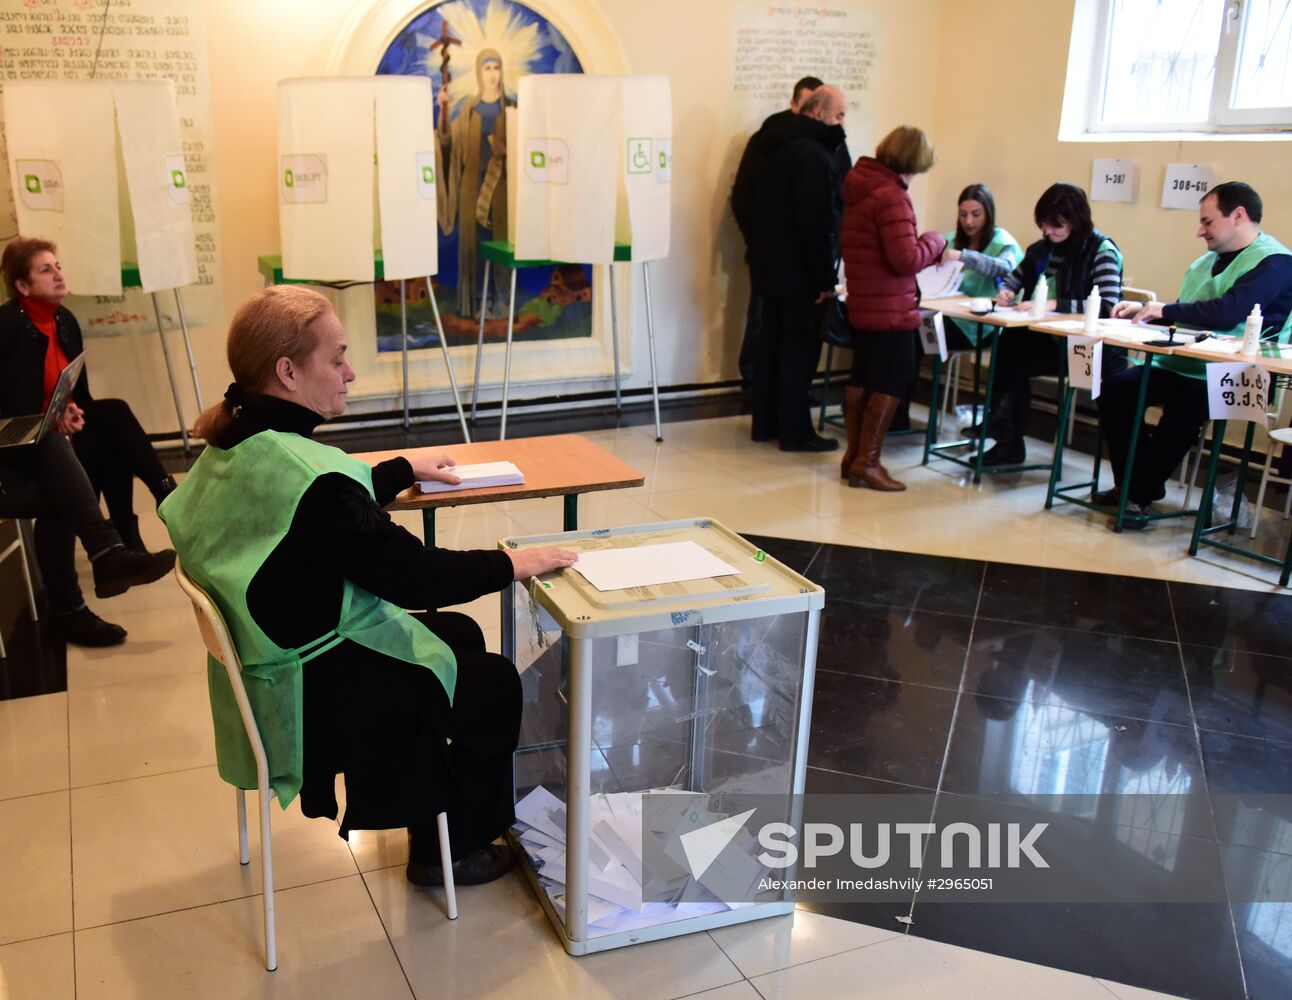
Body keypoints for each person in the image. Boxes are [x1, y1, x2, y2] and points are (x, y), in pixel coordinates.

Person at [159, 286, 577, 887]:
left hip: (267, 666)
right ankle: (451, 852)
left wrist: (403, 470)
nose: (350, 372)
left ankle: (431, 804)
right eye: (337, 358)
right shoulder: (314, 480)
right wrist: (511, 563)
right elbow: (413, 576)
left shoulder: (233, 440)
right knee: (493, 685)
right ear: (288, 371)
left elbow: (303, 512)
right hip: (315, 694)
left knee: (457, 633)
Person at [0, 241, 177, 647]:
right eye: (46, 270)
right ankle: (109, 552)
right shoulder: (7, 327)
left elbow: (78, 394)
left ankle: (120, 545)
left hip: (49, 438)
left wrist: (72, 411)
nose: (59, 274)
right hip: (15, 447)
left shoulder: (64, 320)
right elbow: (9, 407)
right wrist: (52, 420)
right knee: (57, 468)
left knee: (110, 420)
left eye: (58, 265)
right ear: (23, 286)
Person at [1097, 181, 1292, 523]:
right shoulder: (1206, 262)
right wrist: (1144, 313)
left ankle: (1137, 491)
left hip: (1244, 372)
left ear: (1238, 215)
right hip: (1189, 362)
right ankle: (1135, 483)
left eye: (1207, 221)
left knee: (1187, 404)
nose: (1199, 231)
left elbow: (1227, 312)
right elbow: (1186, 314)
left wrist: (1163, 310)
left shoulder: (1276, 263)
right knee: (1116, 388)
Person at [984, 183, 1125, 467]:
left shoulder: (1101, 251)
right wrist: (1007, 292)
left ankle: (1003, 431)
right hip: (1051, 339)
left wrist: (1053, 304)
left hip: (1087, 348)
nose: (1048, 231)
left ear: (1076, 220)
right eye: (1044, 225)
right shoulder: (1042, 249)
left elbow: (1108, 307)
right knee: (1009, 345)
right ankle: (1005, 435)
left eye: (1056, 225)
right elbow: (1016, 277)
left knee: (1014, 355)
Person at [839, 125, 945, 490]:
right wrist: (935, 241)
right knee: (892, 379)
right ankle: (868, 463)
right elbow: (905, 259)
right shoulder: (892, 196)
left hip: (864, 304)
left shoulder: (859, 187)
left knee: (862, 378)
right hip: (891, 309)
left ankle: (852, 456)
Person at [744, 86, 848, 451]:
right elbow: (818, 223)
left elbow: (744, 199)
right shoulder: (813, 154)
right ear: (818, 113)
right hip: (801, 275)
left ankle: (765, 425)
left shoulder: (768, 144)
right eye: (839, 116)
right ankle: (795, 432)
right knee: (799, 353)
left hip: (767, 267)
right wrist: (825, 279)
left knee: (770, 347)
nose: (842, 124)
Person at [731, 75, 825, 390]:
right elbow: (744, 195)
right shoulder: (770, 139)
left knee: (797, 332)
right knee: (763, 322)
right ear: (794, 103)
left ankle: (790, 390)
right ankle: (755, 384)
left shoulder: (827, 143)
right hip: (771, 253)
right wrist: (755, 239)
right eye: (808, 105)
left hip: (805, 261)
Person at [437, 48, 514, 318]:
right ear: (479, 73)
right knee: (477, 248)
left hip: (503, 194)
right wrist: (444, 112)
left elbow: (529, 145)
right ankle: (479, 302)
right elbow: (447, 144)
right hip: (472, 191)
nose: (492, 74)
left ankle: (502, 303)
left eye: (496, 68)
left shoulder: (512, 106)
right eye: (487, 68)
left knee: (501, 247)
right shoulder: (469, 109)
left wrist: (510, 149)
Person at [940, 184, 1023, 348]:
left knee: (921, 333)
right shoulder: (952, 239)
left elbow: (1005, 268)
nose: (968, 221)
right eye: (963, 215)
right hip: (950, 313)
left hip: (981, 324)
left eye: (976, 214)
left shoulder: (1003, 242)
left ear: (988, 214)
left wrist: (964, 256)